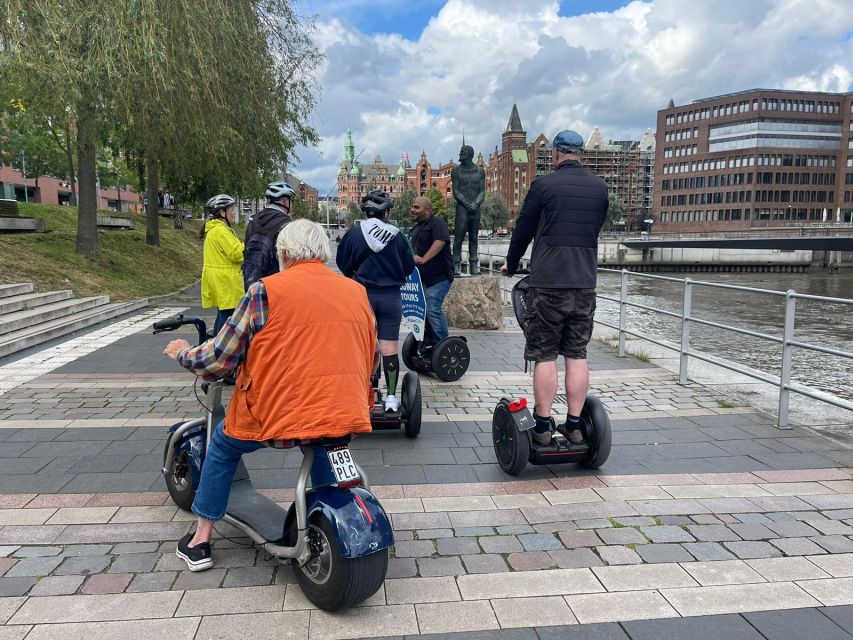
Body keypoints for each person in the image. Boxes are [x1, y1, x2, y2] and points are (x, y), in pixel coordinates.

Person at [164, 220, 376, 571]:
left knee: (222, 446)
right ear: (322, 252)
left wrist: (184, 354)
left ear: (285, 253)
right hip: (345, 409)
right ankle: (342, 508)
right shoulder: (355, 291)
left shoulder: (266, 291)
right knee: (323, 440)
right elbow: (370, 356)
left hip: (277, 416)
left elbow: (219, 358)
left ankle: (200, 540)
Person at [501, 130, 608, 447]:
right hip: (584, 282)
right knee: (576, 354)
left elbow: (524, 229)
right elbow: (592, 229)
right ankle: (574, 425)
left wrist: (511, 261)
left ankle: (543, 426)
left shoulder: (543, 186)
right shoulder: (600, 189)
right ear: (581, 154)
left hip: (548, 283)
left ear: (557, 153)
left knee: (545, 355)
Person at [336, 190, 415, 412]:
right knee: (389, 348)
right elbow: (409, 266)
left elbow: (343, 263)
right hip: (391, 298)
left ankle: (364, 394)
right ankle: (391, 399)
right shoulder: (398, 235)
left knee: (362, 348)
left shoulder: (353, 233)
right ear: (386, 211)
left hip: (362, 297)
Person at [409, 196, 454, 351]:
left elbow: (440, 242)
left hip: (439, 277)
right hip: (423, 279)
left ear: (427, 210)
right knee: (422, 312)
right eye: (412, 207)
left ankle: (443, 346)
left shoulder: (438, 223)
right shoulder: (416, 228)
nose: (412, 210)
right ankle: (429, 340)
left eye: (416, 207)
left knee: (432, 309)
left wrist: (423, 259)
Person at [199, 194, 245, 335]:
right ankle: (219, 350)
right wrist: (248, 245)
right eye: (231, 209)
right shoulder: (220, 231)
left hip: (220, 279)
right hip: (225, 280)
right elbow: (237, 254)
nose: (234, 212)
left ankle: (215, 344)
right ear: (222, 212)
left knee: (223, 313)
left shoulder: (214, 229)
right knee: (228, 317)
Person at [242, 180, 294, 289]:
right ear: (285, 201)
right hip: (277, 285)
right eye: (290, 200)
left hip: (253, 283)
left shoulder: (253, 221)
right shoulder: (286, 224)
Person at [450, 144, 485, 275]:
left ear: (469, 154)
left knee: (474, 238)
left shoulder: (480, 171)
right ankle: (456, 265)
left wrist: (476, 204)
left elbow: (482, 191)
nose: (459, 153)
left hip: (475, 209)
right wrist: (466, 204)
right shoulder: (456, 171)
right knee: (458, 238)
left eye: (462, 152)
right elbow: (456, 191)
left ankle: (474, 264)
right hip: (462, 209)